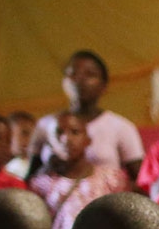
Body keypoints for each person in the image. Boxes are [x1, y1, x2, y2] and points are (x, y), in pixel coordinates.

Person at [31, 110, 134, 229]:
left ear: (88, 139)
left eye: (75, 132)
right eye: (59, 133)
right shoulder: (41, 184)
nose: (66, 139)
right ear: (49, 142)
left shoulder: (111, 178)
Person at [29, 51, 145, 184]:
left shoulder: (121, 127)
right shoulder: (45, 125)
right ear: (64, 81)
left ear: (104, 86)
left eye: (90, 74)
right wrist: (49, 168)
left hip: (104, 203)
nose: (79, 80)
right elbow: (31, 178)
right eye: (73, 74)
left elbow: (139, 179)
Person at [4, 110, 38, 182]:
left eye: (34, 134)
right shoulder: (10, 169)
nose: (31, 139)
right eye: (25, 133)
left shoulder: (35, 162)